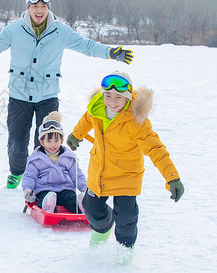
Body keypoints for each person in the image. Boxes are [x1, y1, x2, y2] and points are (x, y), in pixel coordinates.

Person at [0, 0, 134, 189]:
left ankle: (42, 175)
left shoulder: (60, 31)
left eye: (43, 7)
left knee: (47, 139)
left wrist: (110, 52)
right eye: (35, 6)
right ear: (28, 8)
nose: (39, 10)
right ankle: (18, 172)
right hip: (19, 96)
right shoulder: (15, 29)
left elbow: (86, 46)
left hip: (47, 95)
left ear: (48, 8)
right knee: (17, 141)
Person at [66, 71, 185, 257]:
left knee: (126, 218)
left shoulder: (137, 122)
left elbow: (156, 150)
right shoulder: (96, 109)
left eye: (118, 97)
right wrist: (76, 134)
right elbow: (86, 119)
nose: (112, 101)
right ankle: (104, 228)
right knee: (91, 209)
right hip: (99, 173)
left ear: (128, 98)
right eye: (108, 95)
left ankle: (124, 255)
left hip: (127, 176)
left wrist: (172, 178)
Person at [22, 111, 87, 213]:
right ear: (41, 142)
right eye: (49, 141)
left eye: (56, 140)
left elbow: (77, 175)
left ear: (61, 141)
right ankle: (48, 206)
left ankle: (82, 205)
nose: (53, 145)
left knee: (71, 199)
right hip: (44, 189)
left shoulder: (68, 157)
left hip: (65, 189)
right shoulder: (36, 159)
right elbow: (29, 176)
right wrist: (28, 190)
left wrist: (84, 188)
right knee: (45, 198)